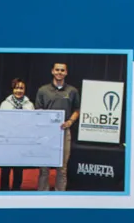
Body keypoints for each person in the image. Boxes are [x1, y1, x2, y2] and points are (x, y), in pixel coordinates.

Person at [35, 62, 80, 191]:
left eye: (62, 70)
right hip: (46, 133)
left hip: (64, 131)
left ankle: (60, 195)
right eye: (57, 70)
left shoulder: (72, 91)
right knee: (44, 167)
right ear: (52, 71)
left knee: (62, 168)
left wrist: (70, 121)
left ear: (66, 73)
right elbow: (38, 111)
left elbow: (77, 109)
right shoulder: (43, 90)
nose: (59, 72)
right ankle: (42, 194)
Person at [0, 77, 35, 191]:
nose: (19, 90)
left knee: (18, 169)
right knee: (5, 169)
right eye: (16, 88)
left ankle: (16, 190)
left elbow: (32, 123)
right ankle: (3, 191)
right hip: (7, 141)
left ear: (25, 90)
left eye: (21, 88)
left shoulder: (29, 105)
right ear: (12, 89)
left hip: (21, 142)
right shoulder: (5, 104)